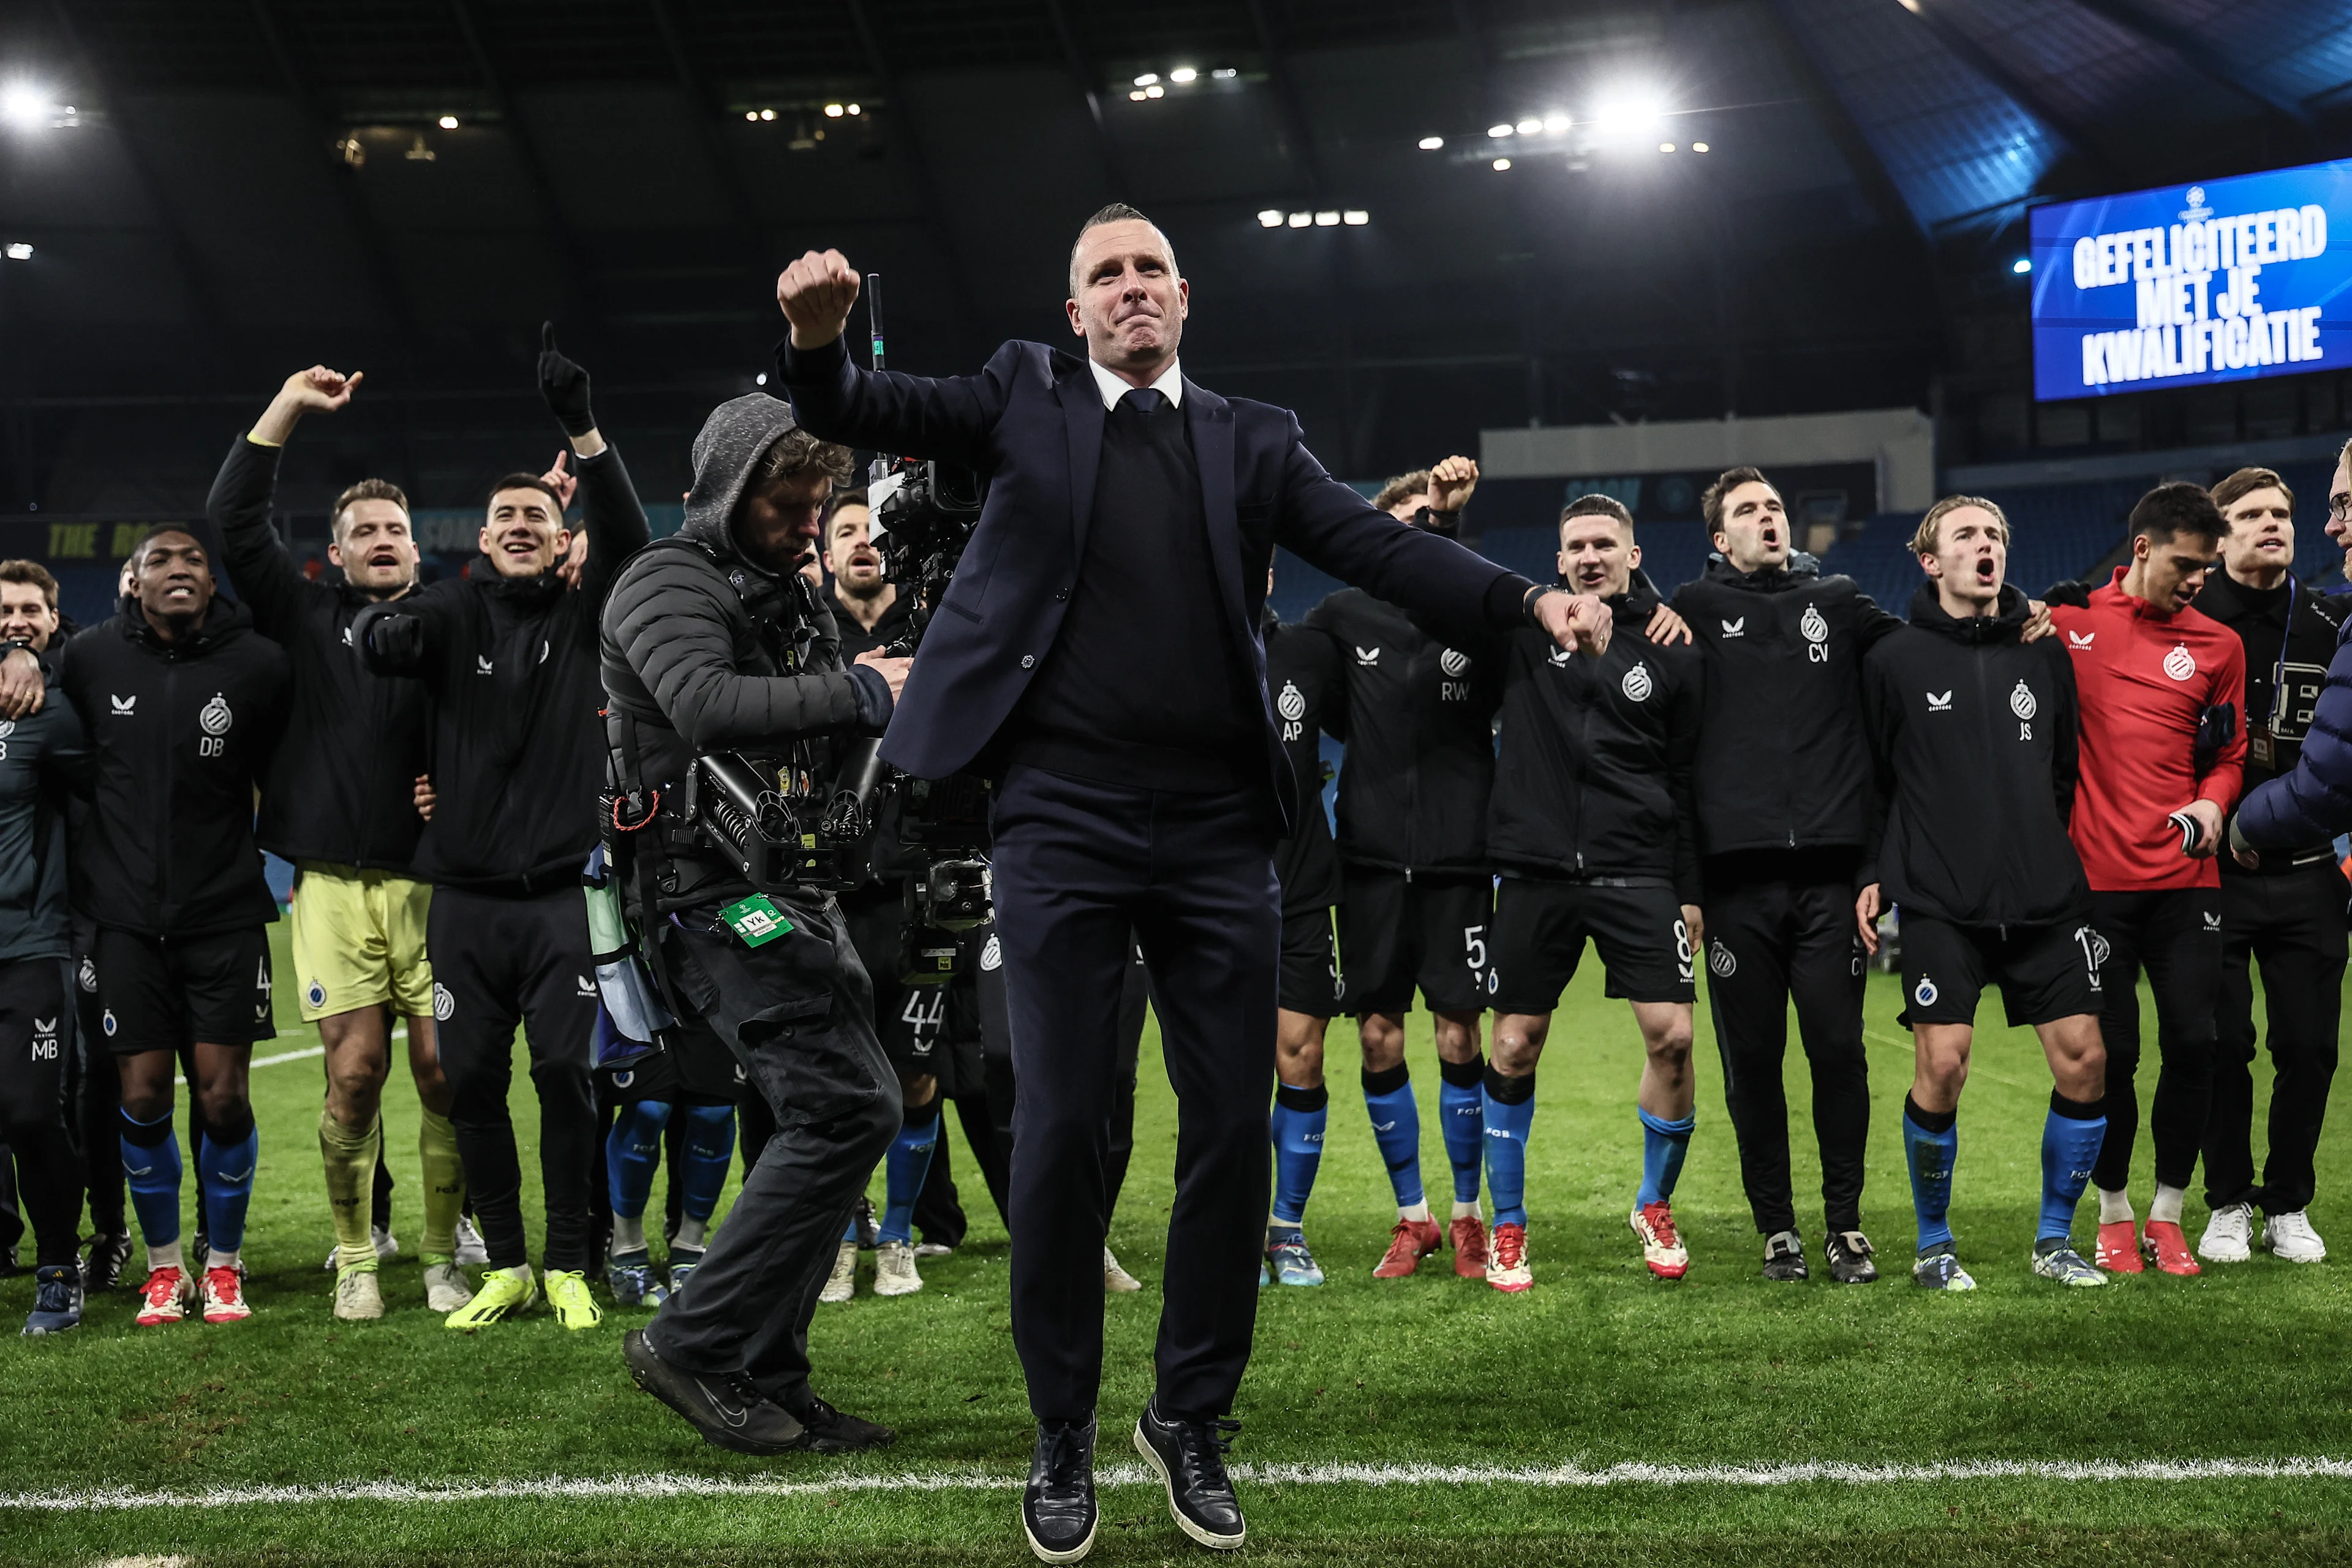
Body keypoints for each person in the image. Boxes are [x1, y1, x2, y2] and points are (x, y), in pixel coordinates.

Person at [774, 205, 1608, 1561]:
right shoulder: (1017, 395)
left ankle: (1189, 1413)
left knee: (1229, 1130)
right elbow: (873, 400)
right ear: (1076, 312)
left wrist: (1522, 601)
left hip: (1224, 828)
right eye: (1105, 273)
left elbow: (1378, 545)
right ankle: (1060, 1425)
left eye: (1150, 268)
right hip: (1060, 818)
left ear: (1184, 297)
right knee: (1058, 1132)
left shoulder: (1254, 437)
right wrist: (814, 350)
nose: (1131, 288)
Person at [601, 391, 907, 1457]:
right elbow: (705, 705)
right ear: (730, 488)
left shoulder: (793, 596)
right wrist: (866, 691)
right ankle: (692, 1343)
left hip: (792, 892)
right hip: (705, 896)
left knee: (807, 1122)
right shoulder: (664, 578)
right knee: (847, 1106)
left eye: (820, 504)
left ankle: (771, 1372)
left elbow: (828, 725)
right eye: (788, 502)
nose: (809, 524)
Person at [356, 326, 650, 1330]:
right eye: (502, 517)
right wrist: (383, 631)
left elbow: (631, 536)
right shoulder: (448, 612)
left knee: (568, 1074)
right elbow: (381, 633)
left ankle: (571, 1259)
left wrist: (585, 428)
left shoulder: (590, 613)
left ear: (561, 537)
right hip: (468, 905)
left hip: (564, 899)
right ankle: (510, 1263)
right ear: (482, 540)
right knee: (467, 1076)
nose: (519, 525)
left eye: (536, 513)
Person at [208, 364, 473, 1321]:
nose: (383, 541)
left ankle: (446, 1254)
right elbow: (234, 514)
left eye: (397, 530)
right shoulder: (305, 619)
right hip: (327, 887)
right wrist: (285, 406)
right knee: (355, 1074)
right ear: (335, 554)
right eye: (364, 532)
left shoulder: (455, 623)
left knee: (445, 1071)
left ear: (417, 548)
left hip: (437, 887)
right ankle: (358, 1252)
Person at [1855, 497, 2108, 1291]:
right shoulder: (1893, 660)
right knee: (1944, 1066)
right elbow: (1873, 780)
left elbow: (2063, 772)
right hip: (1939, 898)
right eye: (1966, 535)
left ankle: (2055, 1241)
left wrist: (2038, 845)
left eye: (1996, 533)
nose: (1986, 545)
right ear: (1931, 561)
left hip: (2044, 896)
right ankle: (1934, 1244)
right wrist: (1872, 873)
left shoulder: (2044, 651)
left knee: (2086, 1062)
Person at [1469, 495, 1705, 1291]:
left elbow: (1685, 776)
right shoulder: (1519, 635)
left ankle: (1652, 1202)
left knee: (1673, 1038)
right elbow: (1453, 588)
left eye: (1607, 543)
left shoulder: (1671, 647)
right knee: (1511, 1046)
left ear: (1634, 555)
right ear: (1559, 559)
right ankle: (1508, 1223)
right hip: (1536, 870)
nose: (1592, 555)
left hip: (1638, 866)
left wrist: (1690, 888)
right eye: (1577, 545)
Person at [1672, 467, 1900, 1284]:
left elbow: (1920, 650)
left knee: (1839, 1049)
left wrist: (2022, 616)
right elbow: (1672, 751)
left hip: (1834, 880)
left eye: (1773, 508)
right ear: (1718, 538)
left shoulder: (1839, 601)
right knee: (1755, 1062)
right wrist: (1689, 885)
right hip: (1737, 889)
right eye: (1747, 511)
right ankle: (1778, 1228)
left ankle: (1845, 1225)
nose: (1766, 519)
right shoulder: (1692, 612)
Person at [58, 525, 290, 1327]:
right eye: (161, 560)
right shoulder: (89, 659)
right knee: (144, 1092)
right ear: (132, 583)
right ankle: (164, 1270)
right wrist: (20, 657)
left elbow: (301, 759)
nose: (180, 570)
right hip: (123, 921)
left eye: (194, 560)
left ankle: (221, 1267)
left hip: (224, 915)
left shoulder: (256, 663)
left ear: (213, 582)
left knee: (224, 1099)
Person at [1300, 458, 1501, 1281]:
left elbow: (1486, 608)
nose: (1422, 529)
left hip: (1459, 862)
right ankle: (1411, 1217)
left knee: (1460, 1034)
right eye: (1408, 521)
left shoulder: (1474, 617)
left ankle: (1467, 1217)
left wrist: (1448, 525)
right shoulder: (1342, 617)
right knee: (1379, 1035)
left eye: (1432, 523)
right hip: (1373, 862)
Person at [2047, 483, 2244, 1278]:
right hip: (2095, 884)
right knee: (2113, 1054)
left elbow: (2229, 756)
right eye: (2186, 564)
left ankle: (2168, 1211)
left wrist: (2212, 801)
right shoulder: (2069, 626)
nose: (2197, 580)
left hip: (2188, 881)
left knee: (2196, 1042)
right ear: (2141, 549)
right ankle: (2114, 1211)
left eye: (2206, 567)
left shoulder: (2218, 645)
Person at [2191, 467, 2346, 1265]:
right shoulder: (2179, 625)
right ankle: (2226, 1201)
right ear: (2219, 536)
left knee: (2310, 1045)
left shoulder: (2333, 621)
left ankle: (2287, 1201)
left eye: (2283, 513)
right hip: (2210, 873)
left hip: (2310, 868)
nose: (2273, 524)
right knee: (2222, 1042)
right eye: (2251, 514)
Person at [0, 561, 93, 1332]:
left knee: (34, 1114)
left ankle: (60, 1268)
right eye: (4, 610)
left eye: (31, 609)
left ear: (54, 621)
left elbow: (119, 786)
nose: (16, 620)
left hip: (33, 942)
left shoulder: (56, 711)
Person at [1259, 568, 1344, 1287]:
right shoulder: (1181, 648)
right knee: (1228, 1071)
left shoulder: (1311, 652)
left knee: (1302, 1056)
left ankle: (1287, 1228)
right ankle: (1237, 1226)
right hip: (1212, 890)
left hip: (1302, 885)